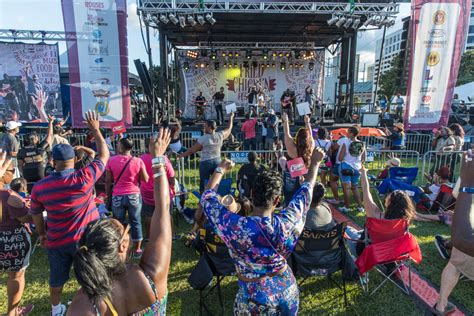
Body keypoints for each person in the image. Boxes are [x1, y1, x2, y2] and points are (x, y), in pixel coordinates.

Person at [200, 147, 325, 314]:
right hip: (286, 292)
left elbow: (208, 196)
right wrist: (315, 163)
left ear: (251, 193)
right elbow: (306, 191)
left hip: (252, 297)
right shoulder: (287, 222)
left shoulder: (235, 226)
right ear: (277, 201)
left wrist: (220, 168)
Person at [67, 128, 172, 316]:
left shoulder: (84, 304)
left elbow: (108, 180)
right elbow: (162, 207)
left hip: (117, 197)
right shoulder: (152, 274)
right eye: (125, 229)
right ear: (122, 246)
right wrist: (158, 158)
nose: (127, 228)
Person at [30, 111, 109, 316]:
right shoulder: (84, 178)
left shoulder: (39, 188)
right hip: (85, 240)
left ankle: (56, 311)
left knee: (56, 279)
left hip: (57, 241)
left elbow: (37, 214)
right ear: (74, 159)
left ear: (53, 162)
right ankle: (97, 308)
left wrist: (42, 234)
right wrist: (95, 129)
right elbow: (104, 155)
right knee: (92, 275)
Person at [433, 151, 474, 315]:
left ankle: (441, 304)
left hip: (468, 219)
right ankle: (441, 304)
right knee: (455, 263)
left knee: (455, 264)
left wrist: (468, 186)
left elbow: (457, 193)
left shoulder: (470, 167)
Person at [345, 164, 416, 256]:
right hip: (390, 253)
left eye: (388, 196)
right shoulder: (404, 221)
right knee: (360, 233)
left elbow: (366, 191)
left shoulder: (375, 215)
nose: (386, 197)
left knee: (345, 229)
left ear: (389, 202)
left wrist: (363, 173)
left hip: (368, 253)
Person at [106, 137, 148, 257]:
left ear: (121, 147)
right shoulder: (138, 161)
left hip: (117, 196)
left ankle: (118, 248)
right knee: (135, 221)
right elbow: (145, 179)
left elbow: (108, 181)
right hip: (133, 195)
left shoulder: (111, 161)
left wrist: (108, 194)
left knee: (117, 223)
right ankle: (138, 250)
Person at [0, 176, 34, 316]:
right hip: (12, 240)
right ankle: (12, 313)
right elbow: (26, 217)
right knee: (15, 276)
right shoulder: (8, 195)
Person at [179, 113, 234, 192]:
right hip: (217, 161)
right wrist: (231, 117)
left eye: (205, 126)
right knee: (216, 181)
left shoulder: (203, 138)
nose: (204, 128)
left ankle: (203, 198)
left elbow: (192, 150)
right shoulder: (220, 135)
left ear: (210, 128)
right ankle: (217, 196)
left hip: (205, 162)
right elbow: (229, 128)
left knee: (204, 182)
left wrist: (181, 155)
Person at [140, 138, 175, 240]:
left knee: (148, 215)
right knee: (167, 213)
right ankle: (171, 235)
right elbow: (171, 176)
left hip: (146, 192)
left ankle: (149, 236)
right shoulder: (163, 158)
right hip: (163, 191)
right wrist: (172, 188)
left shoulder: (141, 159)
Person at [17, 115, 54, 182]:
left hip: (27, 175)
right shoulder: (41, 148)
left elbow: (20, 166)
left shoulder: (21, 151)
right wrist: (50, 122)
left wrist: (23, 176)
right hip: (41, 174)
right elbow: (50, 136)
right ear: (35, 139)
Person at [338, 126, 365, 213]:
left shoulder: (346, 143)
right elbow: (363, 158)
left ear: (352, 133)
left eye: (348, 132)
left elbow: (340, 157)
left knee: (347, 188)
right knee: (355, 187)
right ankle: (360, 207)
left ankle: (347, 207)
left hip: (346, 166)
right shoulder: (362, 144)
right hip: (357, 168)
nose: (346, 133)